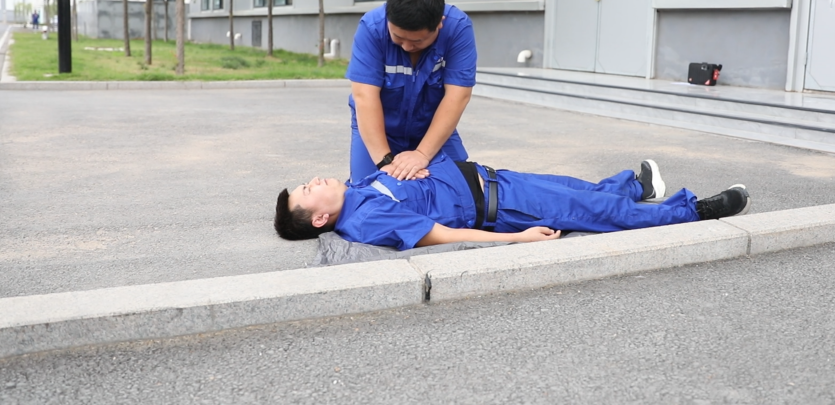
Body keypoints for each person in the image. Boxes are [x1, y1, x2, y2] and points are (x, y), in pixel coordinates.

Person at [274, 156, 750, 251]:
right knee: (600, 216)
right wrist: (519, 238)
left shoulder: (359, 192)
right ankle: (695, 210)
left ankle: (633, 184)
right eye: (308, 189)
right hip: (506, 207)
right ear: (320, 217)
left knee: (575, 190)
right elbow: (448, 235)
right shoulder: (367, 220)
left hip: (494, 177)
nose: (313, 180)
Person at [346, 0, 477, 183]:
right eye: (398, 38)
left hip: (430, 126)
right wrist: (385, 162)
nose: (407, 47)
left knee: (463, 188)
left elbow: (458, 96)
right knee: (368, 192)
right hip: (381, 128)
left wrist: (422, 154)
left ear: (439, 23)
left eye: (417, 41)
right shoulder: (372, 28)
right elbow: (364, 96)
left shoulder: (457, 28)